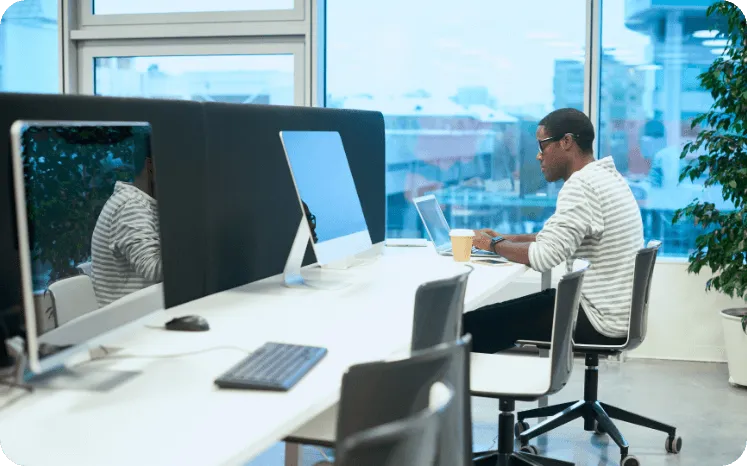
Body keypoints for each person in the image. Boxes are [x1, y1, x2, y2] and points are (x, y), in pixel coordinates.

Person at [464, 108, 644, 353]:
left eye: (542, 145)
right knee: (494, 317)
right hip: (611, 312)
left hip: (597, 318)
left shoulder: (581, 185)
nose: (539, 156)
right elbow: (553, 238)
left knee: (469, 326)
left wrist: (491, 245)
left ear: (566, 142)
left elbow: (544, 256)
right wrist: (506, 238)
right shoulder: (604, 178)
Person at [90, 153, 162, 307]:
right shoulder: (132, 206)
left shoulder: (140, 202)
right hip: (128, 317)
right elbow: (152, 268)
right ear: (150, 167)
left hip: (141, 310)